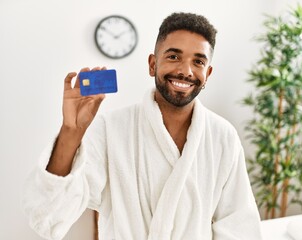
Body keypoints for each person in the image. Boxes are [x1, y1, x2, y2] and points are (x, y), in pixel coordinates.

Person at [23, 12, 263, 240]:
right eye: (173, 56)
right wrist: (71, 131)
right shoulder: (111, 128)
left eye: (198, 61)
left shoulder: (223, 136)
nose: (185, 71)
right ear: (152, 64)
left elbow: (239, 227)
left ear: (207, 73)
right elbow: (49, 215)